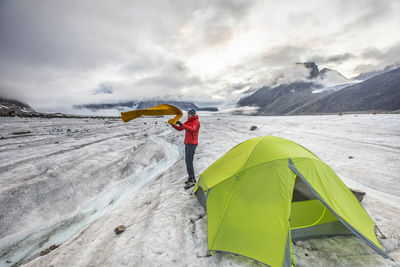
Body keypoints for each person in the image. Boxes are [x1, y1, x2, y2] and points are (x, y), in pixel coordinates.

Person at [172, 109, 200, 189]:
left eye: (189, 114)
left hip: (192, 144)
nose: (187, 115)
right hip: (187, 143)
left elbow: (193, 129)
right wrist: (173, 125)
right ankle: (191, 178)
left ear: (192, 114)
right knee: (187, 162)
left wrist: (182, 125)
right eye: (187, 113)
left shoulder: (196, 121)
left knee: (189, 162)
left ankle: (192, 181)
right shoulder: (188, 121)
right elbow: (180, 128)